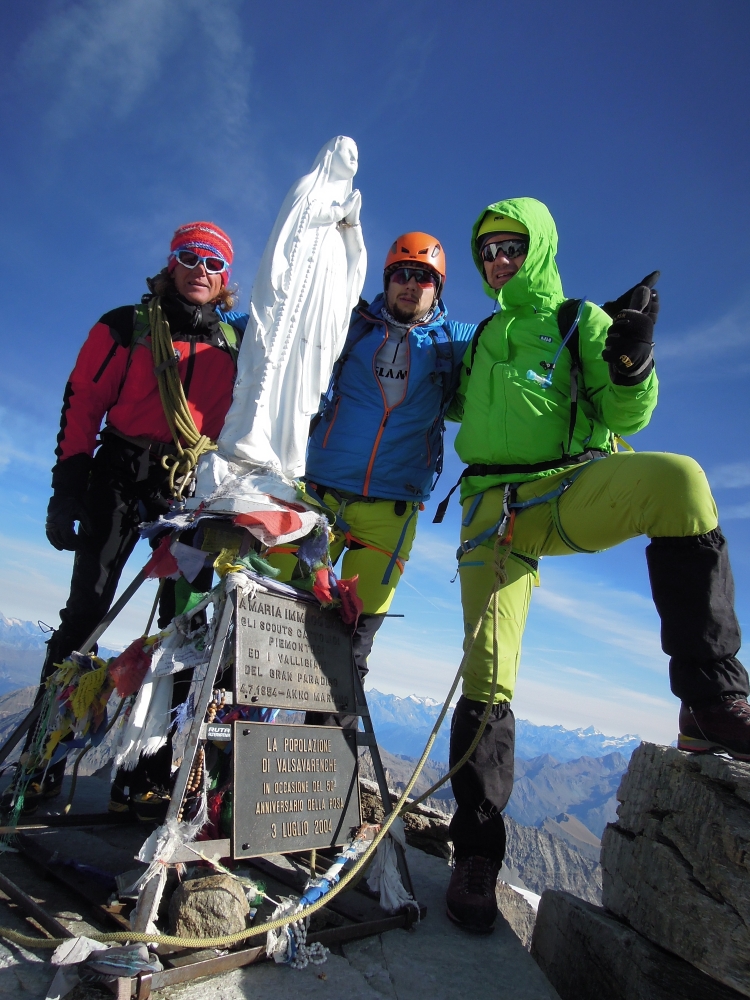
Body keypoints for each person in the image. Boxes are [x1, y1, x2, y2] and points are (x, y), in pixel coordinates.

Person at [442, 197, 748, 934]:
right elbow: (436, 390)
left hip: (566, 486)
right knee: (487, 669)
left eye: (512, 246)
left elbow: (625, 416)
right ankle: (476, 856)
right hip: (492, 509)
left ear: (540, 247)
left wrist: (632, 358)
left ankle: (709, 700)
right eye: (487, 250)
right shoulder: (479, 334)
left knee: (679, 482)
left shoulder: (581, 319)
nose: (498, 260)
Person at [9, 221, 247, 815]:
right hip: (118, 473)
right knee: (87, 610)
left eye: (214, 264)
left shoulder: (236, 347)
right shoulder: (126, 326)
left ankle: (148, 769)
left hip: (189, 487)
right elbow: (83, 403)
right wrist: (68, 488)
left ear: (225, 280)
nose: (200, 270)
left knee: (185, 625)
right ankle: (45, 753)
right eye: (189, 258)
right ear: (170, 265)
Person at [267, 233, 475, 721]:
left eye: (424, 277)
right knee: (266, 619)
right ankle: (221, 769)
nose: (410, 284)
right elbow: (280, 319)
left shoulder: (458, 341)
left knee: (352, 644)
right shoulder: (350, 323)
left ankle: (319, 774)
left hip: (390, 510)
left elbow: (513, 344)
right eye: (401, 273)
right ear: (386, 279)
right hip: (314, 493)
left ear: (438, 288)